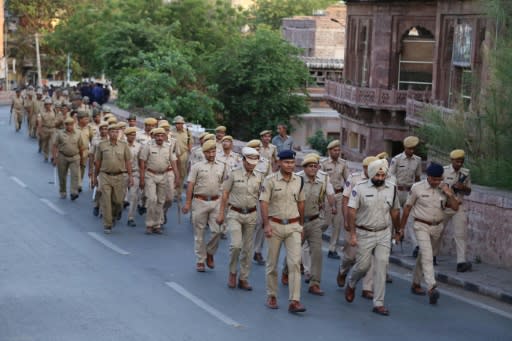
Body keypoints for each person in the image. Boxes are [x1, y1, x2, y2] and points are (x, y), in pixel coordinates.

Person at [345, 159, 400, 316]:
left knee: (382, 266)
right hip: (364, 232)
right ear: (371, 174)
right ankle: (352, 282)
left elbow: (395, 211)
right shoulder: (359, 188)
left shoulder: (392, 189)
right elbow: (351, 211)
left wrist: (398, 230)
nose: (381, 178)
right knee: (363, 266)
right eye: (378, 175)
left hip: (383, 232)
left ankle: (379, 303)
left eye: (383, 175)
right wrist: (353, 234)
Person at [399, 163, 459, 305]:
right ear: (428, 177)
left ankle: (415, 283)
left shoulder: (444, 188)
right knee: (427, 256)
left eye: (439, 179)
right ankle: (432, 287)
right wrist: (400, 229)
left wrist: (449, 193)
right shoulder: (417, 188)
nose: (437, 182)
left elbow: (455, 207)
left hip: (437, 227)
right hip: (421, 225)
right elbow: (407, 208)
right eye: (434, 180)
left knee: (425, 255)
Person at [260, 149, 306, 313]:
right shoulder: (270, 181)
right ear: (279, 162)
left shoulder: (299, 180)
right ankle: (272, 295)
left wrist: (301, 225)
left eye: (292, 162)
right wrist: (266, 224)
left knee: (294, 264)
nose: (290, 165)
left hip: (293, 226)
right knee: (272, 264)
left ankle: (294, 300)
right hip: (275, 225)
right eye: (286, 162)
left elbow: (301, 203)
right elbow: (264, 203)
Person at [216, 147, 265, 290]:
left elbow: (263, 198)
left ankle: (243, 277)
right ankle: (232, 272)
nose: (252, 164)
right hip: (235, 214)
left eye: (254, 162)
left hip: (251, 214)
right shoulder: (233, 173)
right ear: (243, 160)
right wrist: (221, 213)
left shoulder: (260, 176)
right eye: (249, 161)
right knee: (236, 245)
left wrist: (266, 219)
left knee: (247, 249)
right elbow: (225, 193)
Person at [182, 140, 228, 272]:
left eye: (214, 151)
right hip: (200, 201)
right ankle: (200, 260)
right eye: (209, 152)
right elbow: (190, 185)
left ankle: (210, 252)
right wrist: (188, 203)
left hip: (216, 202)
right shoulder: (197, 166)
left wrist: (225, 205)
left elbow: (225, 187)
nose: (212, 154)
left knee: (217, 230)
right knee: (199, 232)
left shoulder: (223, 166)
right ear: (204, 153)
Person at [337, 156, 378, 299]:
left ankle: (367, 287)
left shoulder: (379, 180)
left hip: (371, 224)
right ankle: (343, 270)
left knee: (370, 257)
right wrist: (347, 219)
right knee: (351, 255)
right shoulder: (354, 178)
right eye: (368, 168)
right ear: (364, 167)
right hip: (355, 222)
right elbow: (345, 198)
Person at [93, 123, 133, 234]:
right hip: (105, 175)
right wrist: (94, 177)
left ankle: (114, 216)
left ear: (119, 133)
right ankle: (107, 224)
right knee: (106, 200)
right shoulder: (102, 145)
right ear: (108, 133)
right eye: (112, 132)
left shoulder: (123, 145)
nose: (114, 134)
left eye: (116, 132)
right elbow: (97, 162)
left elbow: (128, 162)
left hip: (119, 176)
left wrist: (130, 176)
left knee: (118, 201)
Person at [139, 128, 180, 234]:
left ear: (165, 136)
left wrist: (177, 176)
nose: (160, 138)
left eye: (162, 136)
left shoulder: (168, 147)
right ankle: (149, 224)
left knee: (161, 201)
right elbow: (142, 162)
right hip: (150, 175)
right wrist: (142, 178)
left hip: (163, 175)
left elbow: (173, 161)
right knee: (152, 199)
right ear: (154, 136)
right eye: (157, 136)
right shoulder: (148, 146)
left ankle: (157, 224)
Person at [389, 136, 422, 257]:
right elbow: (390, 176)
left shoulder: (417, 160)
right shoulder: (396, 159)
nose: (412, 151)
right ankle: (391, 244)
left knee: (412, 219)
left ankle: (416, 246)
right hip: (397, 191)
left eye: (413, 149)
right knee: (394, 219)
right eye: (409, 149)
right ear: (405, 148)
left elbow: (418, 178)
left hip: (409, 192)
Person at [443, 149, 472, 272]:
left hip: (458, 206)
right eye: (457, 161)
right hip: (445, 206)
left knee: (461, 234)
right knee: (437, 232)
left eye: (461, 161)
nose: (459, 164)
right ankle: (431, 256)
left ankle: (461, 262)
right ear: (452, 161)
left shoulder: (465, 173)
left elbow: (469, 191)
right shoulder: (444, 171)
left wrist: (463, 187)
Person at [320, 139, 349, 259]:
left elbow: (348, 180)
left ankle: (332, 249)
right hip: (327, 196)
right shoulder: (323, 163)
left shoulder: (343, 163)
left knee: (337, 224)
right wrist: (320, 200)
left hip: (339, 194)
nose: (337, 152)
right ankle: (313, 237)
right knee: (326, 222)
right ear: (329, 151)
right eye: (335, 150)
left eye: (338, 150)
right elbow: (320, 182)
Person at [52, 117, 85, 200]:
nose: (69, 126)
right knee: (62, 175)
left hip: (75, 157)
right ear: (65, 125)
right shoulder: (60, 134)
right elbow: (55, 146)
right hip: (62, 156)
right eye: (67, 125)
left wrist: (81, 158)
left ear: (73, 125)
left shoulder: (78, 133)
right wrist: (55, 158)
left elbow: (81, 147)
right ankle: (63, 191)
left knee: (75, 175)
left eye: (70, 124)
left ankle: (74, 192)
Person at [125, 127, 142, 227]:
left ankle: (131, 217)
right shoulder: (122, 145)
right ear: (126, 136)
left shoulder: (139, 146)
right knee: (119, 196)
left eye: (134, 135)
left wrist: (142, 175)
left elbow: (141, 161)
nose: (133, 136)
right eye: (130, 135)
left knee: (134, 196)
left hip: (135, 172)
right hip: (122, 172)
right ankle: (116, 211)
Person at [172, 115, 192, 198]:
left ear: (183, 124)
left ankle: (178, 192)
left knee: (182, 174)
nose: (178, 125)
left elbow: (190, 143)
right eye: (176, 123)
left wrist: (190, 154)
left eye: (180, 123)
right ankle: (172, 191)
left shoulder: (187, 132)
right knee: (173, 173)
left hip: (184, 154)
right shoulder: (171, 131)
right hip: (173, 154)